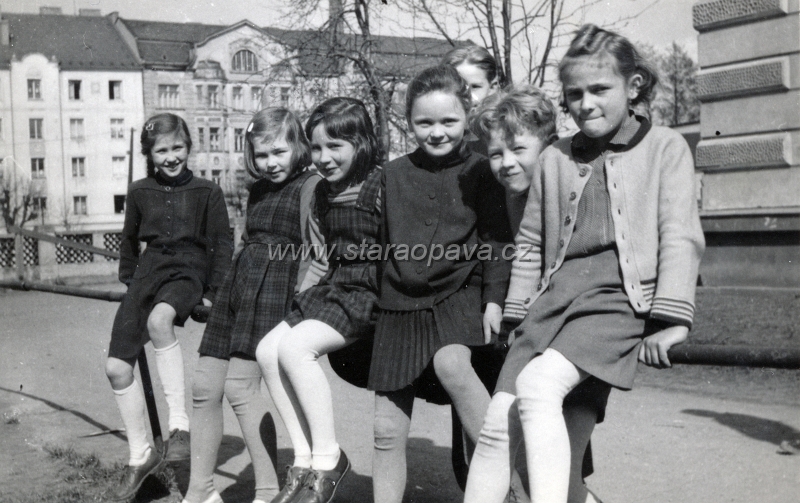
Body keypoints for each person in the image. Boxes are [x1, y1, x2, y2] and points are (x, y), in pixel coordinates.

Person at [465, 24, 705, 503]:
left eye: (600, 89)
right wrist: (517, 309)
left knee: (537, 387)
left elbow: (680, 235)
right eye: (574, 94)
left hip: (617, 300)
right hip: (553, 302)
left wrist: (671, 319)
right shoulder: (555, 156)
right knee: (497, 422)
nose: (586, 103)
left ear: (633, 86)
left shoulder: (665, 148)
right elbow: (531, 240)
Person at [369, 65, 513, 503]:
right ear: (407, 121)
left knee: (453, 363)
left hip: (459, 294)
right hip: (399, 304)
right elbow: (374, 242)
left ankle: (517, 479)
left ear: (467, 115)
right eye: (423, 122)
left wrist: (492, 300)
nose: (436, 133)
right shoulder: (392, 174)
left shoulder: (482, 170)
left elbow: (496, 241)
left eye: (448, 121)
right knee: (385, 429)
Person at [465, 85, 609, 503]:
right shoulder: (509, 197)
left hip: (583, 324)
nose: (506, 164)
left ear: (548, 145)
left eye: (518, 150)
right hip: (535, 328)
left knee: (566, 464)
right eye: (496, 154)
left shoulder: (576, 184)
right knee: (500, 431)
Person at [183, 108, 324, 503]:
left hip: (278, 288)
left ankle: (266, 490)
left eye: (278, 152)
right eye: (261, 155)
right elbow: (245, 241)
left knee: (241, 388)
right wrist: (224, 288)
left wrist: (299, 301)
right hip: (240, 286)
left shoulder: (312, 187)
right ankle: (200, 490)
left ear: (299, 146)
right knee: (203, 387)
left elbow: (317, 251)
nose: (270, 162)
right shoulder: (258, 189)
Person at [255, 97, 382, 503]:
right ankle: (305, 459)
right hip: (334, 285)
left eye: (335, 147)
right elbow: (320, 255)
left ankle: (329, 460)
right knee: (266, 349)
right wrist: (300, 301)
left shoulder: (382, 186)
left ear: (360, 144)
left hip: (369, 291)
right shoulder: (322, 194)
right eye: (316, 148)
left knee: (296, 348)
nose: (324, 158)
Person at [105, 113, 232, 501]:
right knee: (115, 367)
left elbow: (221, 245)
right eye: (162, 150)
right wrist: (131, 283)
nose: (172, 156)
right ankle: (140, 454)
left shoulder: (208, 191)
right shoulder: (140, 191)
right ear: (150, 154)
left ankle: (179, 428)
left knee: (161, 321)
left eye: (178, 147)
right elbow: (128, 240)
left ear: (189, 147)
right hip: (148, 273)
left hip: (187, 271)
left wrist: (212, 292)